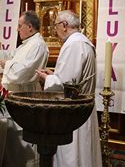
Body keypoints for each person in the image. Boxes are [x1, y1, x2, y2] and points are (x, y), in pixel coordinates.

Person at [36, 10, 102, 167]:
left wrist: (46, 78)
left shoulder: (74, 45)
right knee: (84, 153)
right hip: (83, 107)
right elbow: (74, 77)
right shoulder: (83, 42)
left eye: (56, 25)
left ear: (64, 25)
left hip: (73, 112)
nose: (55, 29)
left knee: (73, 156)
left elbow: (65, 85)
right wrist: (54, 74)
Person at [0, 10, 48, 91]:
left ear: (30, 27)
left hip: (27, 93)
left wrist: (7, 64)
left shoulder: (38, 45)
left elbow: (23, 72)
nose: (17, 29)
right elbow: (11, 55)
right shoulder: (27, 43)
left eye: (20, 26)